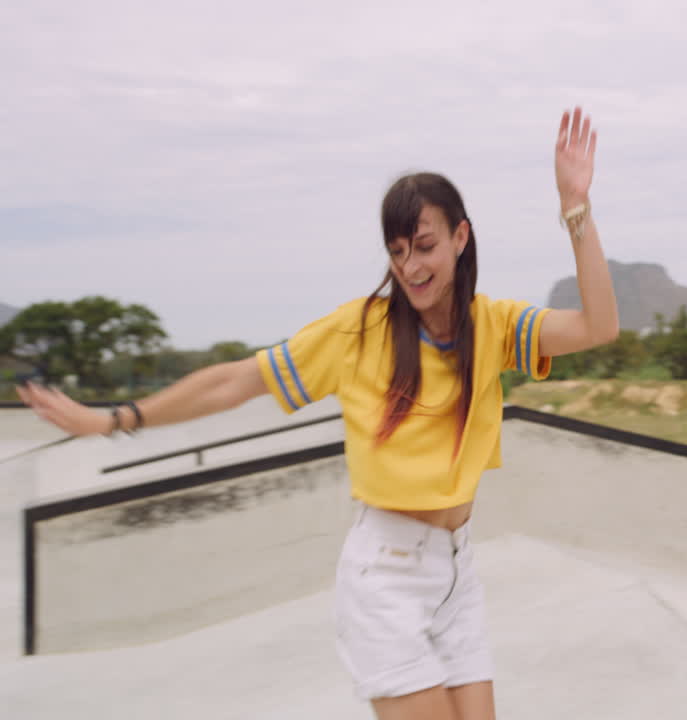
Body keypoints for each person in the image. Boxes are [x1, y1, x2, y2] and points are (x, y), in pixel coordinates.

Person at [17, 107, 618, 720]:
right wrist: (116, 419)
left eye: (426, 246)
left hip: (457, 573)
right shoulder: (357, 332)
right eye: (398, 251)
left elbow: (599, 325)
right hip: (387, 578)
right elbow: (236, 381)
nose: (411, 267)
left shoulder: (492, 326)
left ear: (461, 238)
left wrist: (576, 207)